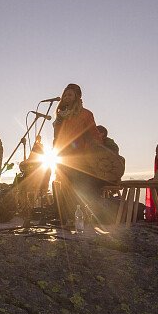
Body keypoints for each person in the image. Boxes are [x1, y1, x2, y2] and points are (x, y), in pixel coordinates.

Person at [53, 83, 105, 225]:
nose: (66, 97)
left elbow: (94, 134)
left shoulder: (85, 114)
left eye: (70, 94)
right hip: (63, 158)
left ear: (77, 97)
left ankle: (81, 219)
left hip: (81, 158)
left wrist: (95, 150)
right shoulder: (60, 116)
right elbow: (56, 138)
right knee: (65, 188)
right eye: (65, 95)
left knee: (79, 189)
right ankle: (67, 219)